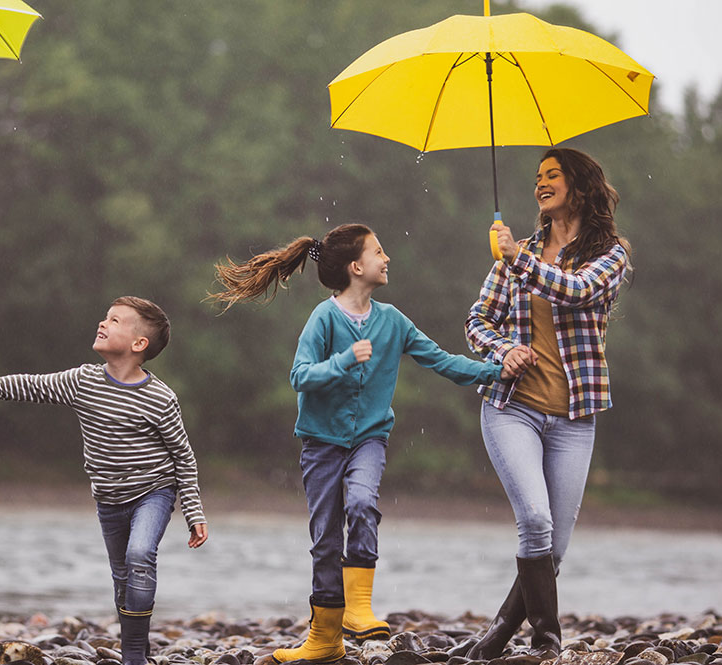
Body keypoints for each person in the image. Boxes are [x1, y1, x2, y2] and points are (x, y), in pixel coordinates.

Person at [209, 224, 524, 663]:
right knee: (324, 539)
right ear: (357, 267)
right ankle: (323, 639)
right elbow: (300, 376)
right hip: (320, 444)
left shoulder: (393, 321)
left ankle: (358, 607)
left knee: (360, 503)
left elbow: (443, 362)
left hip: (369, 440)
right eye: (379, 251)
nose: (387, 258)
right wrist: (342, 361)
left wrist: (496, 370)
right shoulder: (323, 318)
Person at [0, 296, 208, 665]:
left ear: (139, 344)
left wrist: (193, 510)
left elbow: (183, 456)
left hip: (152, 492)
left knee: (140, 556)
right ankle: (131, 645)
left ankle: (135, 655)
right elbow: (34, 386)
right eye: (105, 317)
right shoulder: (83, 381)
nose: (103, 324)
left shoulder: (160, 398)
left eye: (116, 321)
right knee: (122, 575)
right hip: (108, 498)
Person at [464, 148, 631, 661]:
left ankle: (497, 631)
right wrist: (502, 349)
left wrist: (520, 260)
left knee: (553, 548)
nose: (541, 183)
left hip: (575, 417)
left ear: (579, 187)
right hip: (512, 407)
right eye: (538, 176)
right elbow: (477, 320)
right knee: (535, 520)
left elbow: (576, 292)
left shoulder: (612, 254)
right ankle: (547, 636)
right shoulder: (517, 252)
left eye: (552, 175)